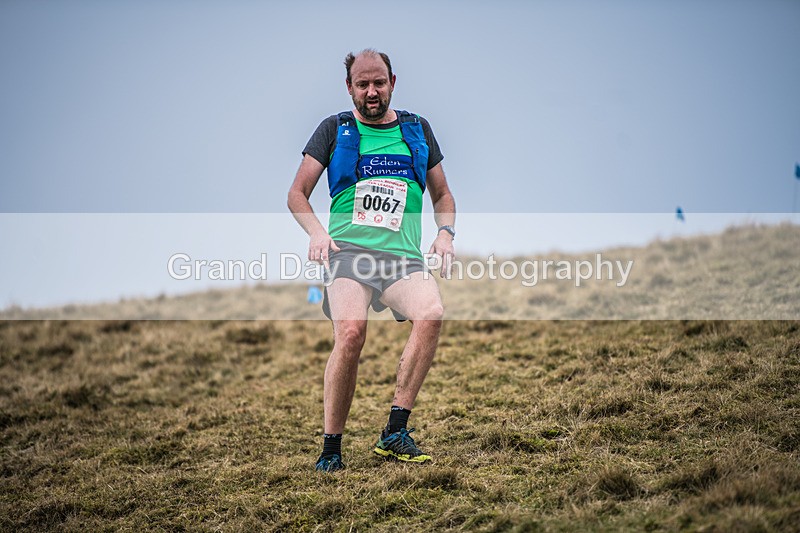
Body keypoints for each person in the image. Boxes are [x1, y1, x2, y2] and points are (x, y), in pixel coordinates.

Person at [287, 49, 456, 472]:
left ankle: (395, 431)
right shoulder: (334, 130)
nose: (371, 91)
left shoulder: (417, 129)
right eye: (362, 84)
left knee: (432, 314)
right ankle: (331, 448)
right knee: (350, 333)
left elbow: (443, 196)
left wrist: (445, 234)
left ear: (392, 82)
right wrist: (317, 234)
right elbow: (296, 194)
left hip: (402, 258)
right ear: (349, 88)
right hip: (349, 255)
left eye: (378, 82)